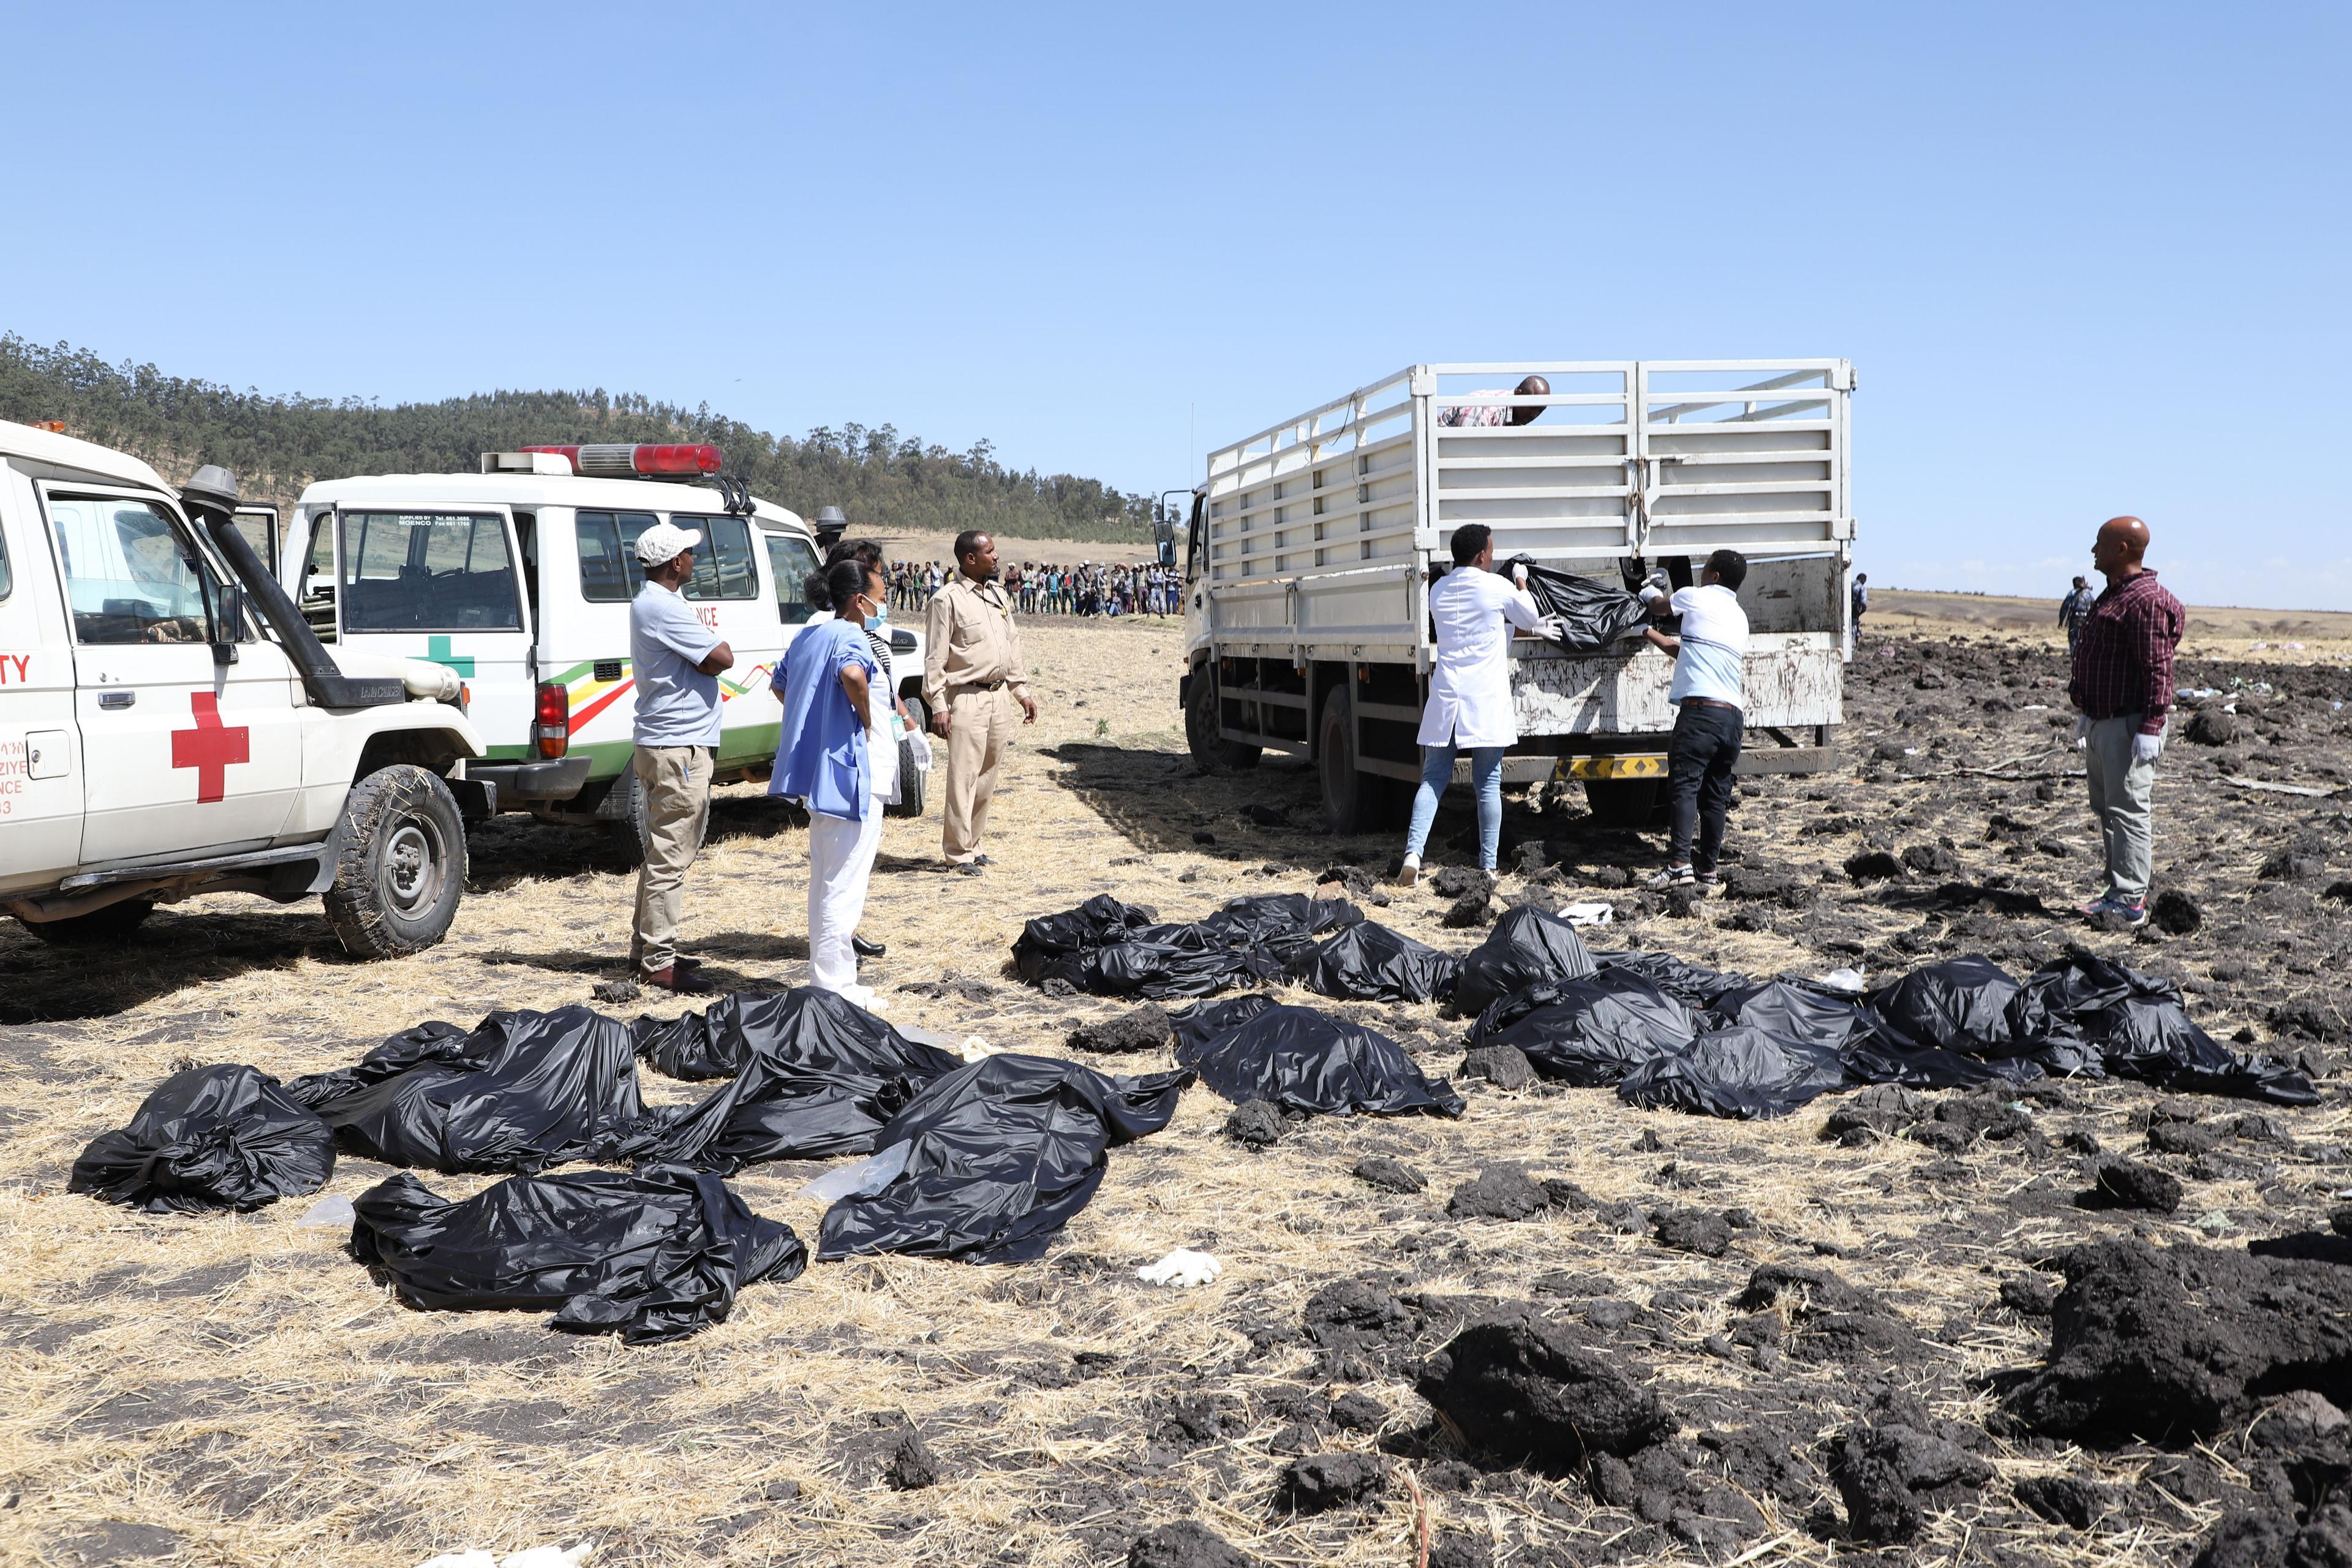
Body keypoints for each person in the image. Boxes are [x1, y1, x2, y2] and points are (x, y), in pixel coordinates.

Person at [1397, 524, 1562, 886]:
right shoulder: (1496, 587)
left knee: (1432, 779)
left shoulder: (1438, 590)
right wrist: (1521, 581)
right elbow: (1530, 618)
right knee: (1487, 784)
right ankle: (1487, 867)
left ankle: (1413, 854)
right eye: (1491, 550)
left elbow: (1479, 627)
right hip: (1484, 700)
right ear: (1481, 556)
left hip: (1447, 697)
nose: (1493, 556)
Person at [773, 557, 891, 1008]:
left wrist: (815, 716)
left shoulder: (810, 634)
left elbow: (781, 686)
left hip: (819, 775)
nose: (882, 606)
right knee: (845, 881)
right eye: (879, 598)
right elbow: (853, 674)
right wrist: (860, 717)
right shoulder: (851, 635)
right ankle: (833, 987)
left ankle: (835, 976)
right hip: (849, 774)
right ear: (859, 601)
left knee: (826, 878)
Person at [626, 521, 734, 993]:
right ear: (675, 564)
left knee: (659, 852)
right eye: (689, 552)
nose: (694, 557)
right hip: (679, 747)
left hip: (661, 742)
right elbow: (722, 657)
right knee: (672, 854)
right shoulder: (665, 608)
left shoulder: (650, 603)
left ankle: (646, 949)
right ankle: (658, 962)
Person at [2067, 517, 2184, 929]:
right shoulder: (2114, 596)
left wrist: (2152, 726)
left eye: (2099, 544)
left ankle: (2130, 900)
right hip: (2105, 721)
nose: (2093, 551)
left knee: (2128, 810)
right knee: (2108, 809)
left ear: (2121, 550)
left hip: (2129, 726)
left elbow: (2158, 669)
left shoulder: (2145, 601)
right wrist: (2086, 709)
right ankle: (2117, 890)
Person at [924, 530, 1038, 873]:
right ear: (970, 559)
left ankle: (975, 844)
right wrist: (939, 706)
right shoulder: (947, 600)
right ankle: (958, 854)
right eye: (990, 552)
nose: (997, 557)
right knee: (963, 777)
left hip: (999, 697)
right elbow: (934, 660)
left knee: (987, 776)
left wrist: (1021, 692)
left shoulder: (999, 595)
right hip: (967, 699)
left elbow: (1011, 644)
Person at [1638, 549, 1751, 892]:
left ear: (1715, 576)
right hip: (1732, 718)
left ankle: (1677, 866)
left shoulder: (1696, 597)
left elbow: (1660, 606)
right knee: (1716, 795)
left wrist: (1648, 593)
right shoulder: (1739, 617)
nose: (1701, 574)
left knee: (1684, 787)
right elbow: (1685, 651)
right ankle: (1707, 871)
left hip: (1700, 713)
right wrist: (1647, 634)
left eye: (1706, 570)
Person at [1434, 374, 1550, 428]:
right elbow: (1468, 452)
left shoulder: (1515, 420)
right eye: (1532, 407)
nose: (1534, 415)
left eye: (1540, 410)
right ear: (1519, 394)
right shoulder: (1485, 409)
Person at [2059, 574, 2096, 652]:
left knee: (2073, 639)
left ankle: (2075, 658)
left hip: (2075, 619)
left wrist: (2061, 621)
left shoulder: (2072, 593)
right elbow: (2095, 607)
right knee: (2085, 639)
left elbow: (2065, 607)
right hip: (2087, 619)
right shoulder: (2089, 593)